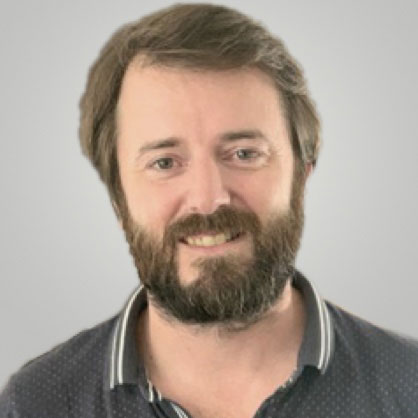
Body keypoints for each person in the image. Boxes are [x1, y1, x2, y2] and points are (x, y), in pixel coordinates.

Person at [1, 3, 417, 417]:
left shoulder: (410, 386)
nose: (208, 198)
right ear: (118, 197)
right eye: (165, 162)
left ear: (301, 175)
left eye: (244, 153)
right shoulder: (37, 405)